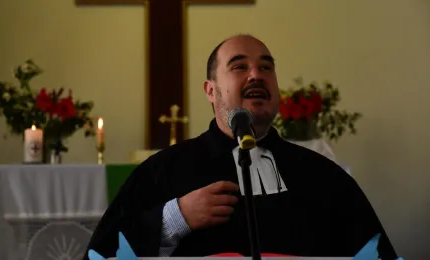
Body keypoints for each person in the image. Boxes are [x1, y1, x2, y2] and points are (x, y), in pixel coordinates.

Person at [83, 34, 398, 259]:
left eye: (266, 67)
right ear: (211, 90)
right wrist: (176, 218)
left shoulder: (324, 176)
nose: (255, 76)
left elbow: (374, 253)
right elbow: (102, 254)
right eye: (238, 66)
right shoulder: (161, 171)